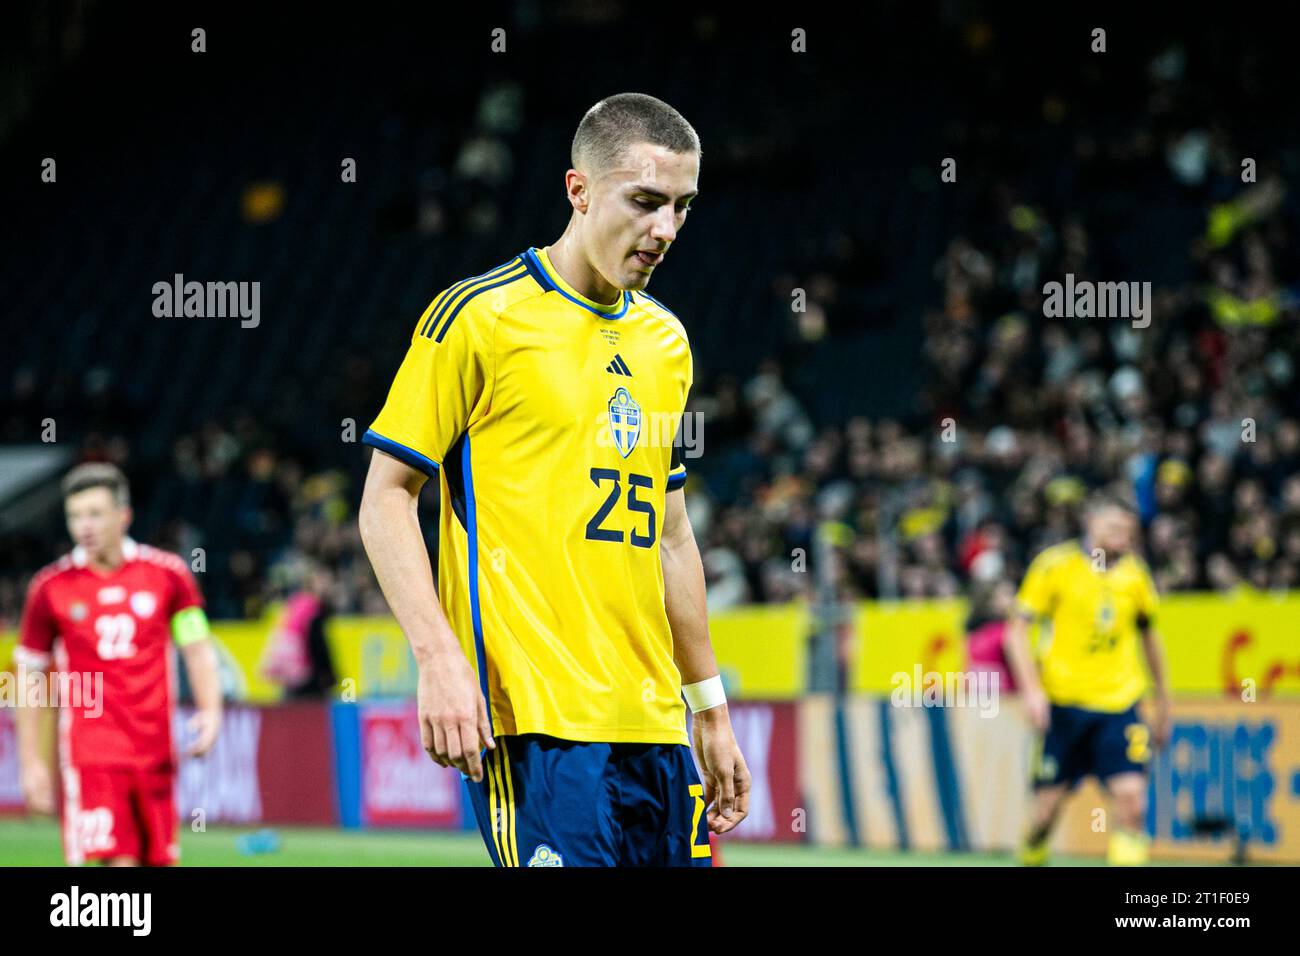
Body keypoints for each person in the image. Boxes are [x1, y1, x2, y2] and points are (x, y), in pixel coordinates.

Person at [359, 92, 749, 867]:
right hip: (537, 724)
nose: (665, 230)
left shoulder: (665, 343)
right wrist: (437, 658)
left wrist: (709, 709)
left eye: (682, 207)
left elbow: (671, 536)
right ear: (578, 190)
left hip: (654, 728)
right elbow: (385, 497)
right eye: (644, 202)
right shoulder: (479, 318)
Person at [15, 463, 222, 866]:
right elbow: (28, 677)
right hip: (93, 755)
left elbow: (197, 647)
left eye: (94, 514)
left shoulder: (169, 575)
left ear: (123, 515)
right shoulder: (50, 587)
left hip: (155, 752)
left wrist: (211, 711)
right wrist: (32, 763)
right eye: (74, 516)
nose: (83, 527)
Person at [1004, 493, 1171, 866]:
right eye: (1114, 527)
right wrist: (1032, 692)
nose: (1122, 537)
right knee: (1044, 814)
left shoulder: (1135, 575)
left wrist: (1163, 701)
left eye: (1129, 530)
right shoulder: (1055, 566)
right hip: (1064, 707)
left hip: (1119, 706)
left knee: (1133, 802)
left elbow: (1149, 637)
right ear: (1090, 521)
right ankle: (1032, 854)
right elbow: (1015, 632)